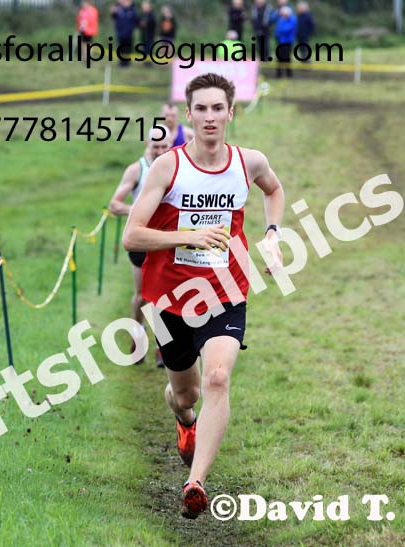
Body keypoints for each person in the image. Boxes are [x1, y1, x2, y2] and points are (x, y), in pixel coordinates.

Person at [123, 73, 285, 519]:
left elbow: (274, 190)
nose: (210, 117)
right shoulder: (167, 167)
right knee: (187, 394)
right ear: (188, 115)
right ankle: (184, 422)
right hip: (170, 298)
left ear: (231, 113)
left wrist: (272, 234)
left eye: (219, 108)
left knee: (217, 378)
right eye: (202, 109)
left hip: (226, 291)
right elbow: (131, 235)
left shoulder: (248, 162)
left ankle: (195, 482)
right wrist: (188, 236)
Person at [108, 126, 172, 366]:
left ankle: (162, 348)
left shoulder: (175, 166)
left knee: (164, 296)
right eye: (155, 146)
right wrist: (138, 213)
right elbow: (114, 204)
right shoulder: (136, 170)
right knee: (143, 297)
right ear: (147, 144)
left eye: (164, 146)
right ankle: (137, 339)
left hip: (165, 239)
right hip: (141, 239)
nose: (160, 151)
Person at [112, 0, 137, 67]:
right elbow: (113, 16)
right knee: (121, 48)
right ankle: (121, 62)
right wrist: (114, 10)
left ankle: (127, 63)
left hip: (129, 34)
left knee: (127, 49)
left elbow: (136, 21)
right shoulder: (119, 10)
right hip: (120, 33)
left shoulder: (133, 11)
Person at [274, 6, 297, 78]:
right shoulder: (281, 19)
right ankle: (279, 74)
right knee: (279, 58)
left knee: (287, 58)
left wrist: (280, 31)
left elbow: (285, 30)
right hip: (280, 41)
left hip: (288, 42)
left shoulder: (293, 19)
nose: (283, 15)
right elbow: (277, 30)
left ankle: (289, 74)